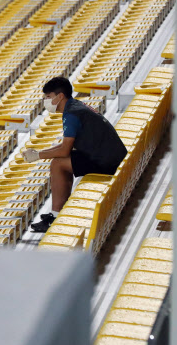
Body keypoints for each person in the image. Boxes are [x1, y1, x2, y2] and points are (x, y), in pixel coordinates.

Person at [22, 77, 128, 232]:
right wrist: (39, 153)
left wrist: (38, 156)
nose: (45, 101)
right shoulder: (75, 106)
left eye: (48, 97)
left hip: (107, 162)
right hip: (112, 156)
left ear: (60, 97)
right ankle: (57, 212)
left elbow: (64, 151)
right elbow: (67, 146)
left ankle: (55, 216)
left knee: (58, 164)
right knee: (59, 161)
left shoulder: (71, 114)